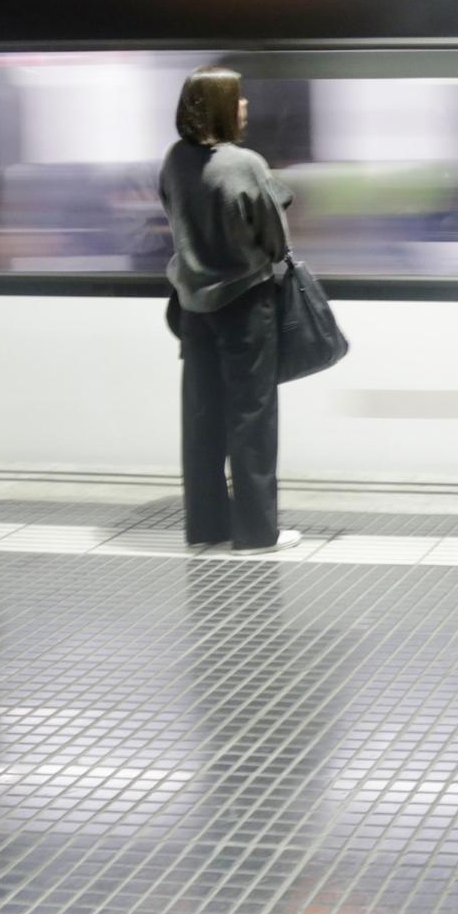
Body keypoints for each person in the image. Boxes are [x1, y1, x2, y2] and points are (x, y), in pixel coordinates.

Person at [160, 66, 299, 556]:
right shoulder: (243, 163)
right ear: (218, 105)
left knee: (201, 418)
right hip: (244, 305)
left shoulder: (175, 160)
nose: (245, 106)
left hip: (193, 307)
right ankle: (258, 533)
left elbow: (172, 216)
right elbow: (277, 241)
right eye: (237, 98)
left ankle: (205, 528)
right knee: (251, 418)